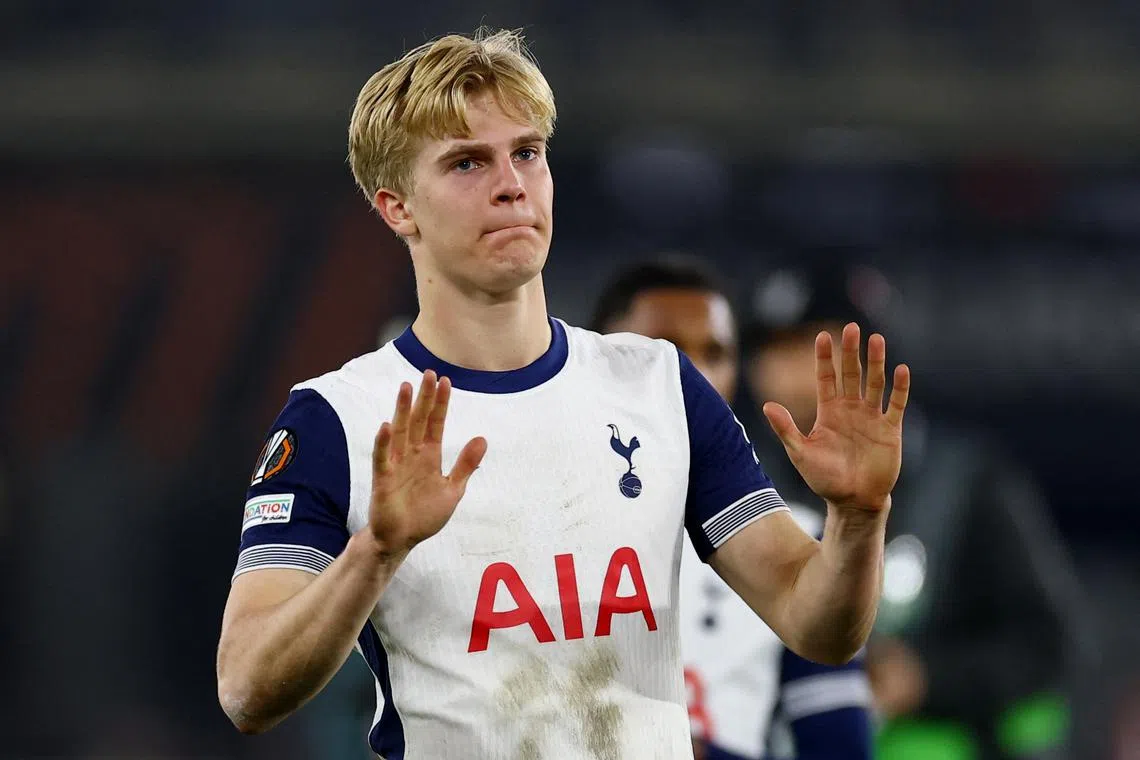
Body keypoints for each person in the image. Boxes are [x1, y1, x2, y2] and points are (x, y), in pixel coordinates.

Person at [215, 30, 912, 760]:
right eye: (466, 162)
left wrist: (858, 520)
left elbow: (818, 627)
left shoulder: (658, 386)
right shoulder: (339, 419)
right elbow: (245, 690)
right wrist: (378, 552)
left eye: (527, 152)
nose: (511, 182)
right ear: (397, 207)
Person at [740, 260, 1087, 760]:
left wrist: (923, 675)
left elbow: (1045, 644)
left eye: (815, 347)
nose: (789, 371)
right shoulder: (739, 486)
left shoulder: (965, 485)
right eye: (773, 351)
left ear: (877, 355)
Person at [590, 256, 874, 760]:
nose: (695, 377)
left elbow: (840, 749)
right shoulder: (535, 519)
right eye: (665, 354)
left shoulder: (799, 543)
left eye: (716, 354)